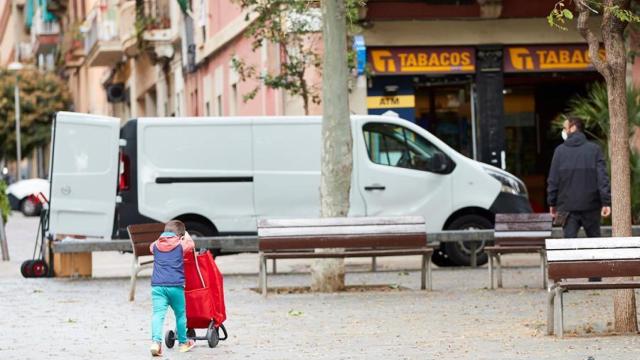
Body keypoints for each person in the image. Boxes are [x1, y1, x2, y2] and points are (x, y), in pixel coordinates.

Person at [547, 116, 612, 264]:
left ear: (573, 128)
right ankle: (595, 278)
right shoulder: (594, 150)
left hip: (567, 207)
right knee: (594, 244)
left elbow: (553, 180)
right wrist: (606, 202)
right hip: (591, 206)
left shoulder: (559, 151)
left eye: (565, 127)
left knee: (569, 246)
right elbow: (602, 178)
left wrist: (552, 203)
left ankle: (569, 279)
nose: (563, 131)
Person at [149, 220, 196, 356]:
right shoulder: (181, 244)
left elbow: (151, 247)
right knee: (180, 315)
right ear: (180, 235)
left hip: (157, 286)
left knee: (158, 314)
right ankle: (182, 343)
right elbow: (191, 245)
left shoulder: (156, 245)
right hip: (175, 286)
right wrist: (185, 235)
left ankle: (156, 343)